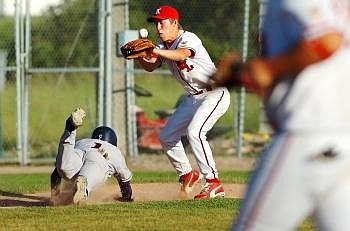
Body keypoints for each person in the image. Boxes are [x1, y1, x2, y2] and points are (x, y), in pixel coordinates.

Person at [211, 0, 350, 230]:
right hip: (341, 135)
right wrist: (240, 74)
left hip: (306, 133)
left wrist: (269, 68)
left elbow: (327, 41)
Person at [137, 5, 230, 199]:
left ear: (174, 23)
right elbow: (150, 67)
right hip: (193, 97)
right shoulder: (162, 46)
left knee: (195, 132)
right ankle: (187, 174)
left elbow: (181, 55)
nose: (158, 28)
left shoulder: (189, 38)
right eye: (156, 24)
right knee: (167, 136)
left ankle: (213, 183)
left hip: (214, 93)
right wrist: (140, 57)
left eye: (161, 23)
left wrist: (153, 49)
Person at [50, 108, 133, 205]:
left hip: (78, 153)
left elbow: (55, 174)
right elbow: (125, 182)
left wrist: (55, 197)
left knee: (64, 166)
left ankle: (70, 130)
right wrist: (127, 198)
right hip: (99, 158)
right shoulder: (114, 151)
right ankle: (84, 184)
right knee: (91, 172)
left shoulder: (83, 142)